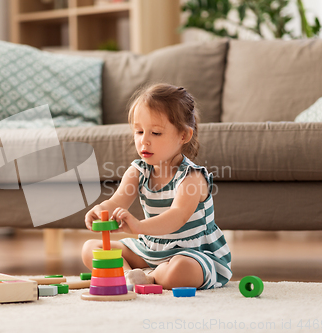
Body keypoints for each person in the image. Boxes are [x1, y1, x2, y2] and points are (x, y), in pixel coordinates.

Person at [81, 83, 232, 290]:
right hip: (150, 249)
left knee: (182, 270)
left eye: (156, 133)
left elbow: (177, 216)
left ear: (183, 136)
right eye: (139, 131)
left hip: (192, 252)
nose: (144, 141)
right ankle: (129, 276)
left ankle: (152, 276)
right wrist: (100, 211)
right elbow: (116, 201)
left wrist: (139, 226)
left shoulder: (192, 177)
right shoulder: (138, 171)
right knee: (91, 248)